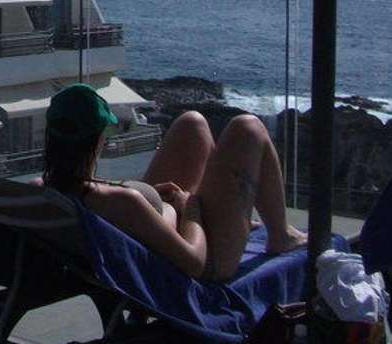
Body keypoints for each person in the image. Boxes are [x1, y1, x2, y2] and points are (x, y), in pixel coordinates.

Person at [41, 84, 305, 281]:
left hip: (157, 233)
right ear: (97, 141)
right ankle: (281, 236)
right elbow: (195, 263)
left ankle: (230, 214)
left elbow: (121, 215)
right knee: (248, 127)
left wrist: (149, 197)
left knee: (192, 123)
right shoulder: (121, 202)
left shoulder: (43, 189)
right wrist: (189, 208)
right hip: (201, 261)